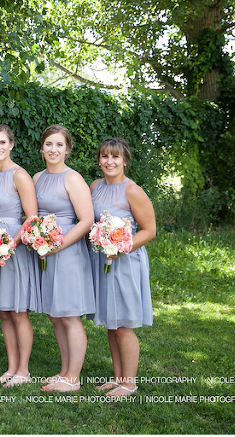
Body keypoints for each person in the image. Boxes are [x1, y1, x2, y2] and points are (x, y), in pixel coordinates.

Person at [89, 138, 156, 398]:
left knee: (123, 324)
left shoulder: (132, 190)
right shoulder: (95, 186)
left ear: (125, 160)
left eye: (115, 157)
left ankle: (129, 384)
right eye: (105, 156)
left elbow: (149, 230)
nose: (109, 162)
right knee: (112, 322)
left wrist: (120, 248)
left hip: (126, 261)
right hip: (102, 260)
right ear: (99, 160)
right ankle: (117, 378)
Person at [33, 125, 95, 393]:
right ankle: (64, 372)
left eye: (59, 145)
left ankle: (74, 378)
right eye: (49, 144)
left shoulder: (73, 179)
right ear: (42, 148)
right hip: (45, 251)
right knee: (54, 315)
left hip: (67, 253)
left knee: (69, 315)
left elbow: (87, 220)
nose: (53, 150)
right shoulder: (37, 177)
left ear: (67, 149)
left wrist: (58, 245)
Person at [0, 124, 41, 387]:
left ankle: (24, 370)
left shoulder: (20, 175)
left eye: (2, 143)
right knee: (4, 311)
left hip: (13, 248)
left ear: (11, 144)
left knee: (18, 311)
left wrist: (11, 244)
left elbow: (31, 218)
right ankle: (11, 366)